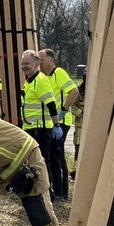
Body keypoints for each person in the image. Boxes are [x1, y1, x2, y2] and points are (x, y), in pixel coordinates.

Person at [38, 48, 81, 201]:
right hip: (50, 122)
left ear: (51, 59)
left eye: (42, 59)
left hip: (61, 121)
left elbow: (74, 91)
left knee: (57, 154)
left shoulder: (59, 73)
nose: (40, 63)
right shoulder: (42, 77)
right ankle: (55, 190)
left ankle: (62, 192)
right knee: (51, 154)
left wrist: (63, 109)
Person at [19, 50, 63, 195]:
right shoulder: (29, 81)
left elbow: (51, 105)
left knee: (42, 161)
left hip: (41, 129)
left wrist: (56, 125)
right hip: (30, 128)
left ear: (37, 64)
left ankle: (47, 192)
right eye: (22, 63)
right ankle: (38, 189)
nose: (24, 66)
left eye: (27, 63)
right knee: (33, 161)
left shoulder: (40, 80)